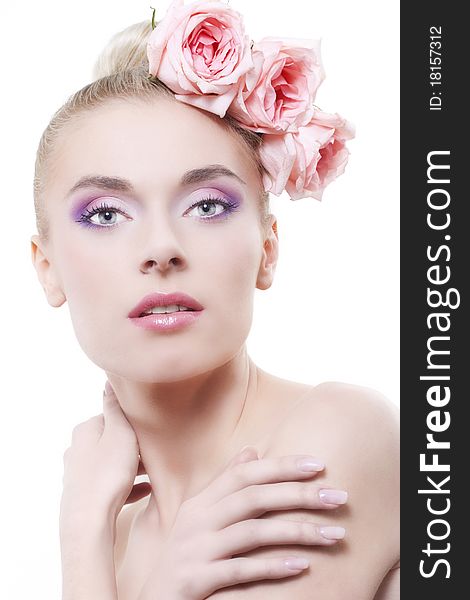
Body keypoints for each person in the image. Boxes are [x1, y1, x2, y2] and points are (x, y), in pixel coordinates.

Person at [30, 2, 399, 599]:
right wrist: (83, 532)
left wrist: (93, 563)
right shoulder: (112, 531)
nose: (160, 248)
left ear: (268, 249)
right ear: (48, 270)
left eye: (207, 205)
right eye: (105, 214)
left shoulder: (340, 435)